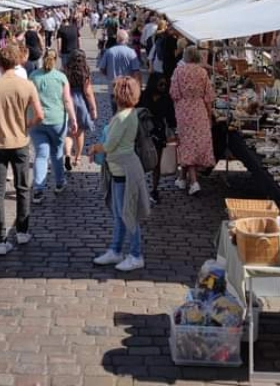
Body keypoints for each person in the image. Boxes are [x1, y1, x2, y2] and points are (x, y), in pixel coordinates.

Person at [0, 44, 45, 255]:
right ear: (18, 61)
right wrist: (26, 126)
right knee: (22, 187)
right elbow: (39, 115)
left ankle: (0, 239)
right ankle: (22, 231)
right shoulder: (26, 85)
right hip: (19, 142)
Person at [91, 76, 150, 272]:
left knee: (128, 215)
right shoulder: (129, 114)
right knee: (120, 214)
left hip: (124, 171)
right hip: (121, 171)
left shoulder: (121, 118)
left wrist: (94, 148)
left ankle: (135, 254)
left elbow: (109, 145)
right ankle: (116, 250)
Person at [29, 49, 78, 204]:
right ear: (56, 60)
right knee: (57, 153)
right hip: (57, 120)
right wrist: (73, 119)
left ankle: (38, 189)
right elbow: (67, 101)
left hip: (37, 121)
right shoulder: (61, 77)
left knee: (41, 154)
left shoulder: (33, 76)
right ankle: (59, 182)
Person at [170, 46, 215, 196]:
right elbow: (208, 97)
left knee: (186, 142)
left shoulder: (178, 71)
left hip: (183, 110)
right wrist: (209, 114)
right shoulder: (202, 72)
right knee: (194, 143)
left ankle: (191, 181)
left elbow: (174, 93)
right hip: (199, 109)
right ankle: (186, 179)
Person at [139, 75, 177, 203]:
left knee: (156, 163)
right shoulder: (143, 95)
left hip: (159, 132)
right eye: (161, 85)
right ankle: (141, 188)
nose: (163, 87)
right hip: (143, 132)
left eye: (164, 85)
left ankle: (154, 190)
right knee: (141, 160)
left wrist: (173, 133)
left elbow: (171, 117)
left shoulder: (166, 98)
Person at [64, 49, 98, 171]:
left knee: (68, 132)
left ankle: (67, 153)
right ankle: (77, 157)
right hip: (81, 102)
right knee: (79, 133)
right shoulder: (85, 73)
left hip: (67, 101)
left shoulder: (65, 71)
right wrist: (93, 108)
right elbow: (88, 93)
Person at [98, 30, 141, 112]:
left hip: (114, 87)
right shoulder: (131, 52)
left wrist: (109, 75)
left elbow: (102, 69)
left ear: (117, 39)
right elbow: (136, 71)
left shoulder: (109, 52)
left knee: (115, 112)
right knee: (127, 111)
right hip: (127, 87)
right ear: (127, 39)